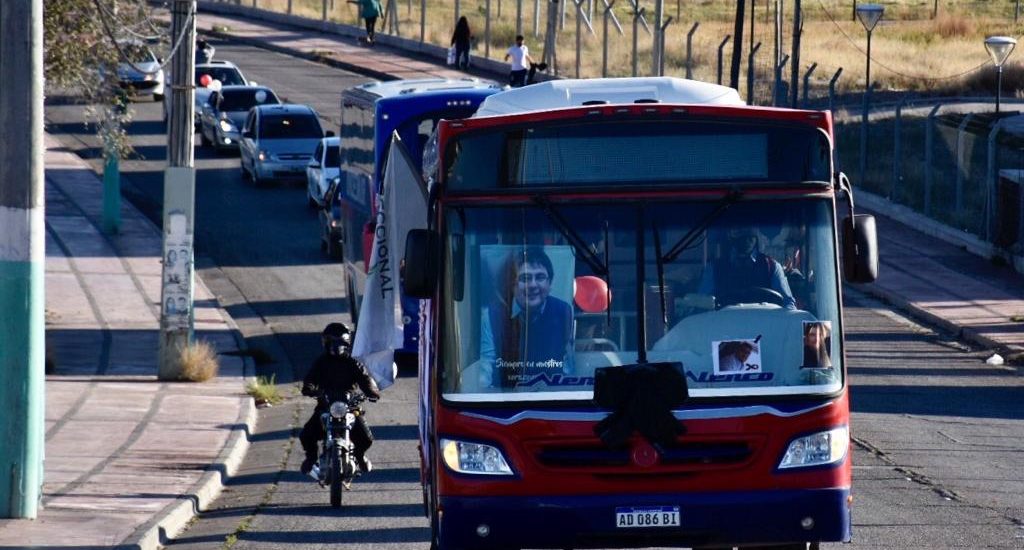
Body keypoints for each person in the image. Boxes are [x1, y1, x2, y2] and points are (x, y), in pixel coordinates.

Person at [480, 247, 573, 388]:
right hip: (504, 400)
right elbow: (486, 368)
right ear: (513, 285)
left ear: (550, 284)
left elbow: (568, 369)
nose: (533, 285)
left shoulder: (565, 311)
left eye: (540, 277)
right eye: (525, 278)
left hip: (552, 399)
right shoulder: (492, 315)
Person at [299, 322, 381, 477]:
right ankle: (311, 458)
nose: (337, 347)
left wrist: (371, 392)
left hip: (350, 407)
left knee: (366, 439)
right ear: (326, 343)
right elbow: (310, 379)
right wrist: (310, 389)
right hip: (325, 405)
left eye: (340, 343)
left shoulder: (354, 363)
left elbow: (365, 379)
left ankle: (359, 456)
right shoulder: (320, 363)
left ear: (347, 343)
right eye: (333, 343)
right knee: (306, 435)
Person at [698, 226, 796, 310]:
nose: (746, 238)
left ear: (756, 234)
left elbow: (788, 304)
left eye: (750, 230)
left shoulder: (771, 266)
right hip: (725, 327)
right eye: (739, 230)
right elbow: (702, 305)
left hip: (766, 328)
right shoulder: (714, 268)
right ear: (730, 234)